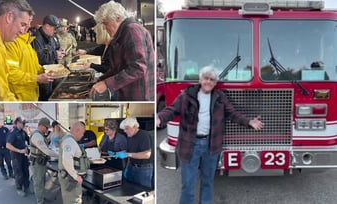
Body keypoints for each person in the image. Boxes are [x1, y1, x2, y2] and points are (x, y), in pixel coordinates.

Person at [156, 66, 264, 204]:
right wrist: (160, 118)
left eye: (212, 79)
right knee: (188, 184)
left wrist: (249, 122)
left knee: (208, 182)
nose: (208, 82)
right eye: (206, 78)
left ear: (215, 83)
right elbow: (172, 110)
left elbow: (232, 113)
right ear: (200, 80)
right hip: (190, 145)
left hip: (211, 146)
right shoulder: (187, 95)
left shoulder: (220, 97)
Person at [89, 0, 155, 101]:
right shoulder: (123, 33)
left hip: (138, 96)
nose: (104, 28)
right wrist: (102, 80)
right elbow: (119, 67)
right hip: (130, 93)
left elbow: (138, 67)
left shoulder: (132, 31)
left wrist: (107, 83)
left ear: (118, 18)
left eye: (106, 23)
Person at [5, 15, 55, 101]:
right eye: (23, 23)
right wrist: (37, 78)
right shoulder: (11, 43)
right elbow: (11, 73)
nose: (28, 25)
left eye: (30, 22)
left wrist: (47, 71)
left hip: (32, 95)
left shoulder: (27, 42)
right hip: (20, 98)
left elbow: (35, 66)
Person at [112, 117, 153, 188]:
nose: (125, 131)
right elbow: (129, 153)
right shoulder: (129, 136)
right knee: (130, 188)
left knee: (142, 190)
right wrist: (127, 167)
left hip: (143, 169)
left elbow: (147, 154)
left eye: (127, 128)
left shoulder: (144, 135)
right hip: (131, 167)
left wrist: (127, 154)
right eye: (124, 129)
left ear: (134, 127)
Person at [32, 14, 65, 101]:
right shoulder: (36, 39)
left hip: (53, 74)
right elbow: (38, 58)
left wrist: (60, 52)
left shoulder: (52, 37)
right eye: (54, 29)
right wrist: (55, 54)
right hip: (43, 76)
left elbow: (56, 47)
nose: (55, 31)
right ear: (46, 26)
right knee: (45, 97)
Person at [29, 117, 58, 204]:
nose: (47, 130)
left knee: (42, 181)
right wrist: (59, 155)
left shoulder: (40, 135)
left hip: (41, 162)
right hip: (38, 163)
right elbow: (46, 150)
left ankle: (41, 197)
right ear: (41, 126)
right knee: (38, 183)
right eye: (46, 127)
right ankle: (40, 201)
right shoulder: (37, 135)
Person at [58, 121, 87, 204]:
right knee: (73, 201)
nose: (82, 136)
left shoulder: (67, 139)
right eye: (82, 133)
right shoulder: (70, 141)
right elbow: (66, 160)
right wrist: (75, 176)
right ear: (77, 130)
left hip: (67, 176)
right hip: (70, 178)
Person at [6, 117, 30, 197]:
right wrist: (19, 150)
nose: (24, 125)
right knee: (18, 172)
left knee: (26, 171)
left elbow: (28, 140)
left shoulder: (23, 132)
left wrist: (27, 147)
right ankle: (19, 188)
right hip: (16, 155)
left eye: (24, 123)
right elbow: (8, 145)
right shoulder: (13, 133)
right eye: (23, 123)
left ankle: (26, 186)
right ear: (18, 123)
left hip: (24, 155)